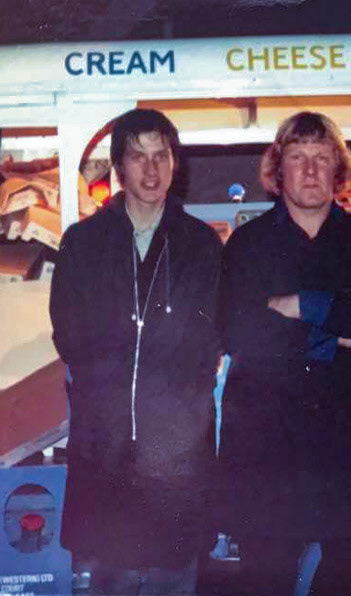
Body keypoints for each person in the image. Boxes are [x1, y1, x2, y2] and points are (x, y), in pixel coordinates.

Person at [217, 111, 351, 596]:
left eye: (322, 159)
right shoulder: (247, 244)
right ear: (277, 169)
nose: (310, 170)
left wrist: (299, 306)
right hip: (267, 456)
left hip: (345, 458)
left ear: (340, 171)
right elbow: (239, 332)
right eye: (297, 158)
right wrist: (335, 334)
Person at [49, 108, 222, 594]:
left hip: (176, 453)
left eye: (161, 157)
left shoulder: (200, 245)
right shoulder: (84, 243)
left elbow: (210, 338)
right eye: (138, 157)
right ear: (118, 168)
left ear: (175, 164)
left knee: (174, 577)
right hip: (107, 447)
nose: (151, 170)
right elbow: (70, 335)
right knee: (113, 578)